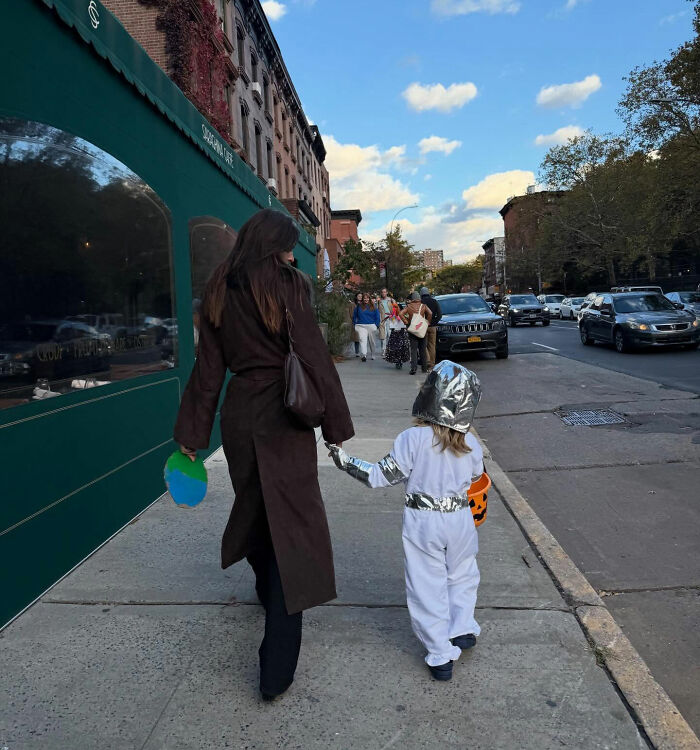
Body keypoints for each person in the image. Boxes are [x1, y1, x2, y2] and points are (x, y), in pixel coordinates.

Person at [173, 209, 354, 701]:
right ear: (273, 244)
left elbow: (208, 369)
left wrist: (191, 433)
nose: (292, 253)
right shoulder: (285, 282)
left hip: (240, 416)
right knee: (292, 524)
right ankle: (276, 667)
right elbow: (313, 352)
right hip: (284, 414)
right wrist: (335, 424)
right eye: (288, 245)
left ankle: (263, 585)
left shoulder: (218, 286)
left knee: (256, 504)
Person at [326, 361, 484, 681]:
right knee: (462, 573)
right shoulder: (472, 445)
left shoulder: (412, 439)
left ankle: (440, 654)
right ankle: (463, 627)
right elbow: (476, 476)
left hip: (423, 521)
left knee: (427, 584)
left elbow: (378, 477)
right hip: (460, 519)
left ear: (429, 395)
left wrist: (345, 462)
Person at [400, 292, 432, 375]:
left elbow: (401, 313)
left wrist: (406, 321)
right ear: (419, 298)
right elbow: (430, 313)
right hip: (422, 329)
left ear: (412, 298)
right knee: (422, 349)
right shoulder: (423, 306)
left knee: (414, 350)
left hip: (413, 329)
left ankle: (413, 368)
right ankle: (424, 368)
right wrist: (427, 322)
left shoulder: (409, 306)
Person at [352, 292, 380, 362]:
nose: (366, 299)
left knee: (372, 341)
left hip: (371, 325)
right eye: (364, 298)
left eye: (367, 298)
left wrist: (376, 325)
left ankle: (373, 354)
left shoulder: (373, 306)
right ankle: (364, 355)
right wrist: (355, 323)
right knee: (362, 339)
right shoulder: (359, 306)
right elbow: (354, 316)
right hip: (361, 325)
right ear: (362, 299)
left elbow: (377, 316)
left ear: (369, 298)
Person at [420, 286, 442, 372]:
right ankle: (432, 365)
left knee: (423, 345)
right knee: (432, 345)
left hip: (423, 326)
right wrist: (435, 322)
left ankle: (427, 361)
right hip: (433, 327)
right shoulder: (434, 301)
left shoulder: (421, 303)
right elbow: (440, 315)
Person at [383, 299, 410, 369]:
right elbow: (392, 323)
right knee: (396, 348)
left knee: (401, 348)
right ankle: (397, 361)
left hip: (401, 332)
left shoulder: (403, 315)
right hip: (396, 333)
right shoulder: (393, 316)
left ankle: (399, 361)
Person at [377, 288, 393, 353]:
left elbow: (394, 309)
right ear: (381, 293)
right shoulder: (379, 301)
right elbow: (377, 310)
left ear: (387, 293)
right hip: (382, 318)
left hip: (390, 318)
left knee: (390, 334)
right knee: (383, 335)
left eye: (384, 292)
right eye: (382, 292)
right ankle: (384, 350)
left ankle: (390, 349)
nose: (383, 293)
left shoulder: (390, 300)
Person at [350, 291, 363, 357]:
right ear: (356, 297)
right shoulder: (353, 304)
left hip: (363, 322)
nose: (360, 297)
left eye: (361, 296)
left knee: (362, 337)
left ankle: (363, 351)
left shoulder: (364, 304)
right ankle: (357, 352)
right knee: (357, 338)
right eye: (359, 296)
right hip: (356, 322)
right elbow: (351, 313)